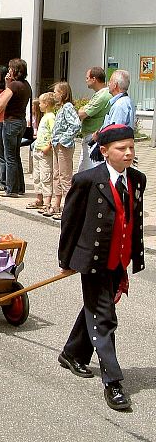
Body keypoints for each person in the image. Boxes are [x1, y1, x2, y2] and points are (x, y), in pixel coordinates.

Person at [58, 124, 145, 411]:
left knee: (96, 308)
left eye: (131, 147)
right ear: (105, 152)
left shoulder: (137, 179)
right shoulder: (87, 181)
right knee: (105, 318)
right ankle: (113, 383)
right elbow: (69, 223)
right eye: (122, 148)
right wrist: (65, 260)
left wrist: (133, 255)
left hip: (118, 259)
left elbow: (133, 221)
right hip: (93, 261)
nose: (129, 153)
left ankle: (72, 353)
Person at [45, 81, 80, 219]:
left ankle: (69, 207)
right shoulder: (61, 108)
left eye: (56, 92)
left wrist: (64, 139)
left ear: (63, 94)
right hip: (57, 145)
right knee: (57, 174)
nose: (54, 95)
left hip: (63, 146)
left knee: (65, 176)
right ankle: (57, 203)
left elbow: (76, 125)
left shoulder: (68, 107)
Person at [0, 58, 32, 198]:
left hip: (11, 122)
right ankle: (19, 187)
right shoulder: (26, 85)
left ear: (15, 71)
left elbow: (2, 103)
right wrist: (8, 83)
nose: (8, 70)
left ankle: (11, 189)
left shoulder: (14, 86)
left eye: (10, 68)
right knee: (16, 156)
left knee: (10, 157)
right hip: (21, 121)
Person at [77, 67, 111, 172]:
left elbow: (82, 113)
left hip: (93, 136)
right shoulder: (98, 94)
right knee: (83, 168)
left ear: (94, 79)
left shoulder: (103, 96)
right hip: (90, 135)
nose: (86, 80)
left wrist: (82, 110)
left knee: (90, 169)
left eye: (87, 78)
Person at [27, 92, 56, 211]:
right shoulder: (44, 116)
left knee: (46, 175)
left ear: (47, 104)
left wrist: (48, 146)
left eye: (41, 103)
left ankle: (47, 201)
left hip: (44, 150)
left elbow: (54, 133)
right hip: (37, 149)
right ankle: (39, 198)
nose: (39, 105)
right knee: (37, 175)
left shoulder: (51, 117)